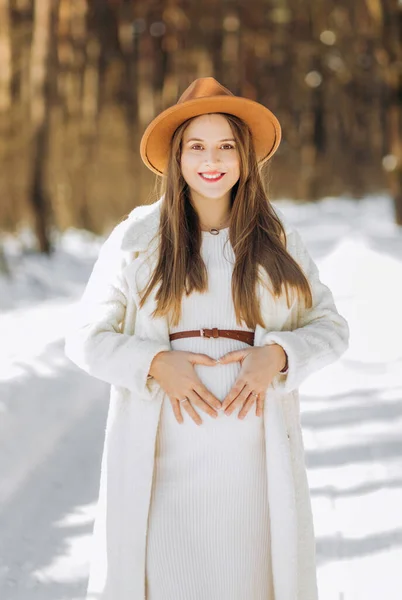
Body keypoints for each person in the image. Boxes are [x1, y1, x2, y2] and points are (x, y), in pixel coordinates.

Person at [65, 77, 349, 600]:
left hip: (256, 474)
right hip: (163, 468)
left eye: (226, 146)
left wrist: (281, 354)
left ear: (245, 158)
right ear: (176, 157)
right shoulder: (137, 238)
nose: (211, 159)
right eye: (196, 146)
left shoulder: (278, 239)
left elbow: (331, 328)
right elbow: (85, 338)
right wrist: (153, 362)